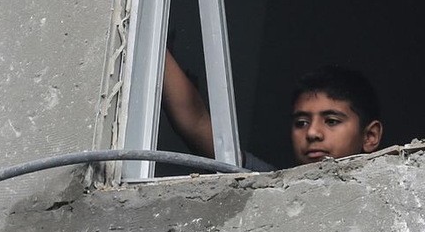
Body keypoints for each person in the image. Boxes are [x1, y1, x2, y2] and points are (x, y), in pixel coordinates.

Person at [161, 50, 383, 167]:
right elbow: (196, 123)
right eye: (301, 123)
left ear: (370, 136)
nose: (312, 133)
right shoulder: (273, 185)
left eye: (331, 121)